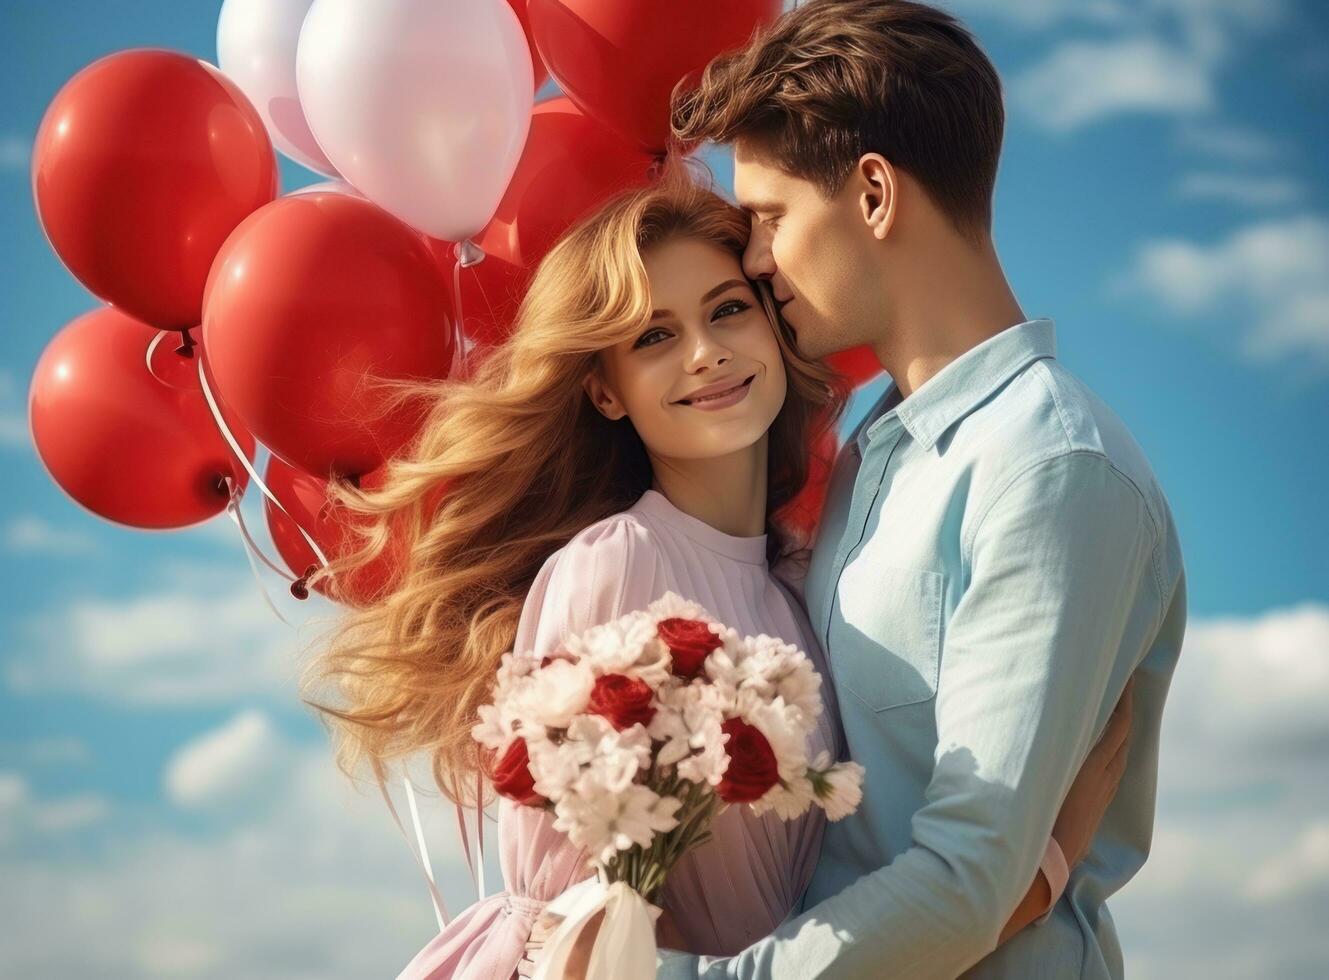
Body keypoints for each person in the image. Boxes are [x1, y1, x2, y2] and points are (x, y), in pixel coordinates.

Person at [299, 161, 1134, 980]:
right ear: (606, 391)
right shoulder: (616, 566)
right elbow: (575, 948)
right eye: (654, 337)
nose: (704, 354)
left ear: (773, 327)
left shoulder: (800, 584)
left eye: (728, 310)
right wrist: (1026, 883)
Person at [653, 1, 1187, 977]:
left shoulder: (1051, 468)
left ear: (871, 193)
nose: (758, 258)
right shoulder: (868, 455)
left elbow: (961, 879)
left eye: (771, 216)